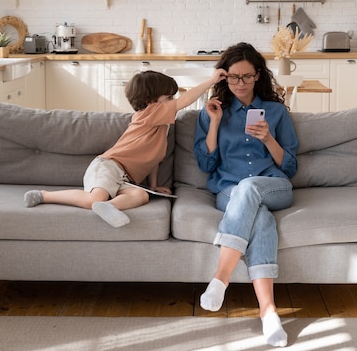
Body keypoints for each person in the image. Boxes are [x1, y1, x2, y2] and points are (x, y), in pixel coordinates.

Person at [24, 69, 225, 228]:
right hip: (108, 166)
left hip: (125, 177)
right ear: (151, 101)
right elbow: (184, 101)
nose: (173, 101)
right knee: (95, 197)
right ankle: (45, 195)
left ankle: (107, 208)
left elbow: (153, 160)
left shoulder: (161, 127)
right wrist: (211, 80)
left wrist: (153, 185)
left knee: (142, 195)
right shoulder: (149, 114)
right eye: (168, 97)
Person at [194, 42, 298, 347]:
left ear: (258, 76)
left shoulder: (276, 112)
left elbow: (289, 166)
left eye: (247, 76)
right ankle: (269, 314)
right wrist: (214, 123)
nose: (240, 84)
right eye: (233, 77)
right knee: (260, 218)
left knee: (250, 188)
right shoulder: (213, 112)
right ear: (223, 78)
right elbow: (207, 164)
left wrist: (268, 139)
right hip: (229, 191)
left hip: (273, 186)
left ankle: (220, 278)